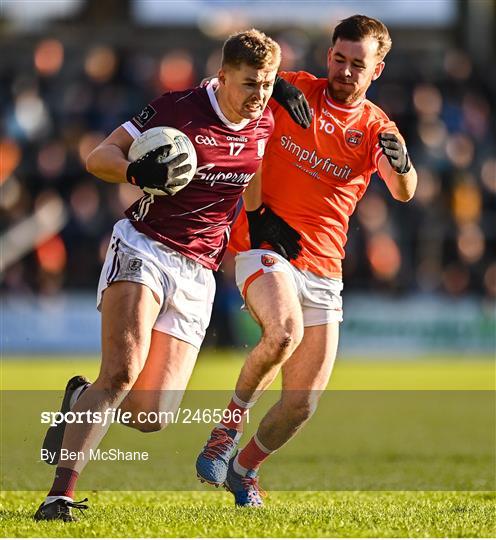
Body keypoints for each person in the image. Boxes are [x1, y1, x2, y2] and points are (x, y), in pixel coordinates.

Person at [34, 29, 305, 522]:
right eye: (250, 83)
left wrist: (261, 220)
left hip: (198, 271)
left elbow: (250, 172)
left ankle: (78, 400)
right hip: (145, 247)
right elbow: (100, 158)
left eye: (267, 84)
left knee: (150, 416)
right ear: (221, 76)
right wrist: (139, 174)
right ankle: (60, 496)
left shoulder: (266, 117)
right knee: (120, 371)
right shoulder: (178, 109)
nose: (259, 95)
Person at [196, 14, 418, 507]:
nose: (344, 70)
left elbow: (404, 191)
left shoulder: (377, 126)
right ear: (328, 56)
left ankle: (245, 469)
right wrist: (274, 91)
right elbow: (231, 88)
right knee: (282, 333)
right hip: (265, 244)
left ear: (377, 69)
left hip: (324, 265)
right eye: (338, 58)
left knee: (302, 403)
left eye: (357, 63)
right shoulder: (293, 87)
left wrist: (402, 163)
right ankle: (224, 432)